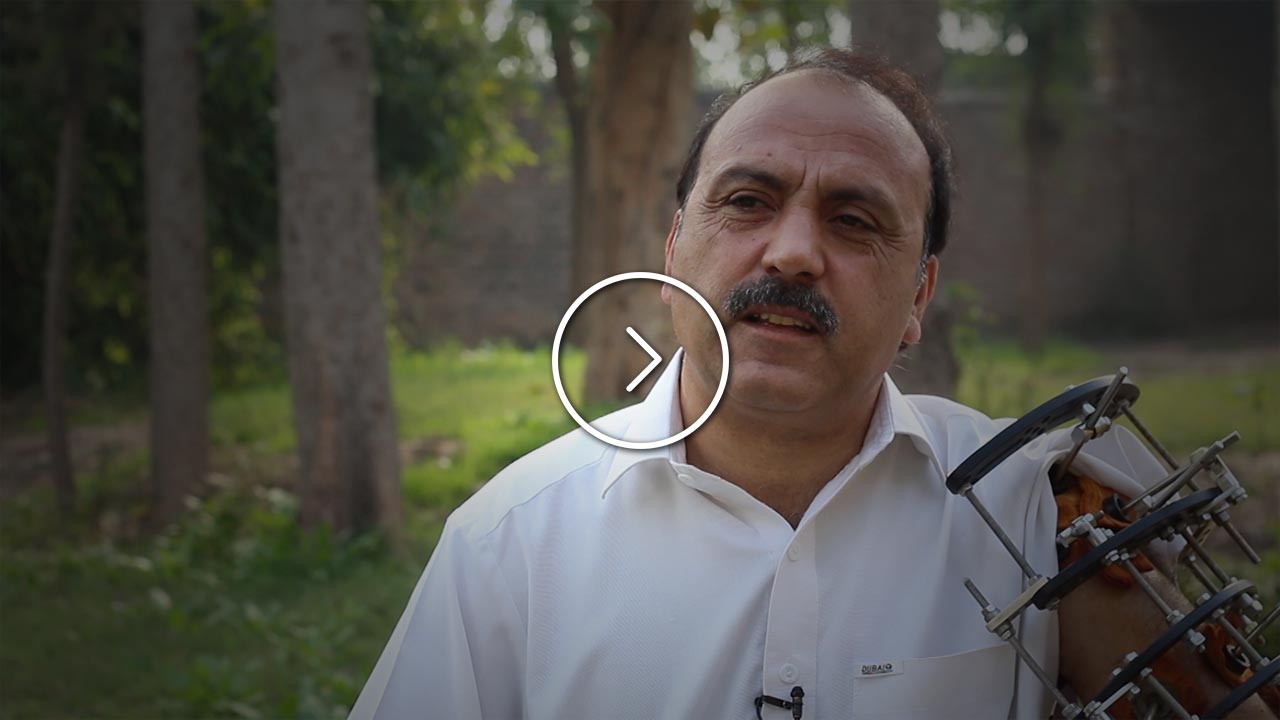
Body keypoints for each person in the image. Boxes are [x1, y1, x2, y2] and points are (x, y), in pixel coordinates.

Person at [350, 47, 1269, 720]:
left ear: (919, 296)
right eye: (747, 202)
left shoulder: (1039, 508)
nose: (792, 252)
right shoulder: (507, 546)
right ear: (673, 251)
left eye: (855, 220)